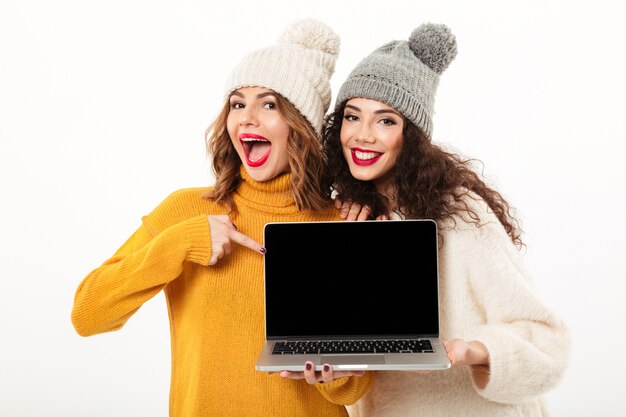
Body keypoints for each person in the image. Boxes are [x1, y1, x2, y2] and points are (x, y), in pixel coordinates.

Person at [71, 19, 373, 417]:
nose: (247, 118)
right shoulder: (187, 210)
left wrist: (330, 373)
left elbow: (353, 389)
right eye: (237, 103)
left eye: (269, 104)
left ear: (300, 128)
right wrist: (181, 243)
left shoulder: (340, 225)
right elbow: (89, 314)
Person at [321, 22, 571, 417]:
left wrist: (473, 349)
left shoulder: (460, 216)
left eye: (386, 120)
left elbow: (547, 343)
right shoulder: (348, 216)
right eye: (353, 117)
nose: (362, 135)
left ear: (413, 135)